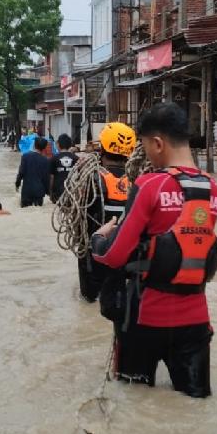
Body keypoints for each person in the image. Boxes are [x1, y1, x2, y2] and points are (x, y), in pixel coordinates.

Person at [91, 103, 217, 398]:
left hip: (143, 322)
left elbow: (113, 256)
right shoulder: (212, 189)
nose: (146, 154)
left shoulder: (149, 185)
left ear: (158, 143)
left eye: (146, 146)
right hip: (196, 323)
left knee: (133, 406)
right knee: (194, 407)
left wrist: (98, 240)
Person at [78, 122, 136, 302]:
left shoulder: (90, 177)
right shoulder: (138, 182)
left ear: (102, 147)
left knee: (90, 302)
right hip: (124, 254)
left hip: (93, 252)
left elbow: (75, 212)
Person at [15, 137, 50, 207]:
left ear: (34, 145)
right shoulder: (45, 160)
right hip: (39, 192)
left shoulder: (25, 157)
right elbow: (46, 178)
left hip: (27, 191)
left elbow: (21, 172)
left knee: (25, 213)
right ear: (44, 148)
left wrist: (17, 184)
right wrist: (48, 191)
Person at [49, 134, 79, 203]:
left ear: (58, 144)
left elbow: (51, 178)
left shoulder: (53, 159)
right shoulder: (76, 158)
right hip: (72, 192)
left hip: (58, 193)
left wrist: (50, 193)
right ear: (70, 145)